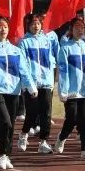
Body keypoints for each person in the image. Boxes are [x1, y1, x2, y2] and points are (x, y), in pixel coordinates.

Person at [0, 16, 36, 170]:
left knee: (11, 126)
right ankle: (1, 155)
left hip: (14, 91)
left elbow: (24, 70)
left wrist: (30, 86)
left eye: (5, 27)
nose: (2, 29)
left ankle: (7, 155)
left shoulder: (16, 50)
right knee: (6, 122)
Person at [55, 16, 85, 159]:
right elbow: (63, 71)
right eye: (77, 27)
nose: (79, 30)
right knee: (72, 118)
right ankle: (62, 137)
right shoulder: (65, 48)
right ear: (71, 29)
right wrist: (63, 91)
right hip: (72, 91)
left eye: (82, 27)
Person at [17, 14, 55, 153]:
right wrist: (28, 83)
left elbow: (51, 61)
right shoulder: (23, 42)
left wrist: (50, 80)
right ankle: (24, 133)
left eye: (38, 23)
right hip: (31, 84)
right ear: (28, 25)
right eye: (33, 23)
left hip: (45, 83)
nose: (36, 26)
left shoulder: (46, 40)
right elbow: (23, 64)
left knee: (46, 113)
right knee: (32, 113)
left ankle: (44, 141)